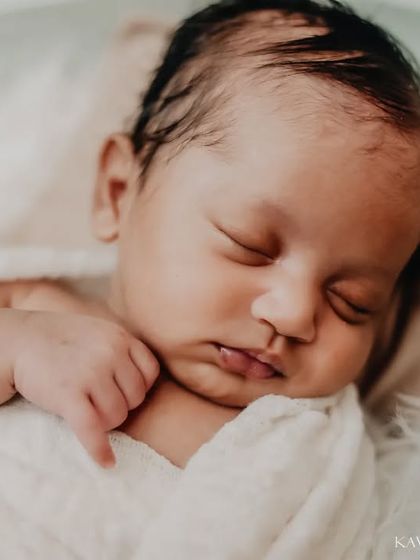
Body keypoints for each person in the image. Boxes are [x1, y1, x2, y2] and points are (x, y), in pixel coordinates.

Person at [0, 0, 418, 470]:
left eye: (352, 302)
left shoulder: (321, 445)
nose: (294, 315)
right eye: (250, 246)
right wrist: (18, 343)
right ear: (118, 195)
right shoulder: (35, 305)